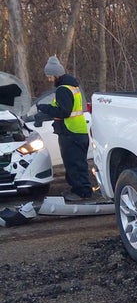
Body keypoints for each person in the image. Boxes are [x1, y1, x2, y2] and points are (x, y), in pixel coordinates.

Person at [35, 56, 93, 202]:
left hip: (71, 132)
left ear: (55, 75)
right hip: (76, 131)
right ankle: (78, 189)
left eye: (49, 77)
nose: (49, 80)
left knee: (74, 164)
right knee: (76, 163)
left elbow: (64, 111)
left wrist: (44, 108)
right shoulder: (72, 86)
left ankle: (82, 192)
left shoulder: (63, 90)